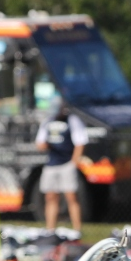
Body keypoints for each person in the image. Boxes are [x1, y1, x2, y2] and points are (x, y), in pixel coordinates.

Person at [35, 97, 89, 233]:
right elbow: (40, 143)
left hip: (67, 164)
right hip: (51, 165)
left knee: (71, 196)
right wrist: (45, 145)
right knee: (50, 197)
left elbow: (80, 142)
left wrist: (74, 161)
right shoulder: (47, 121)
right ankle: (50, 231)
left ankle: (77, 230)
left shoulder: (72, 120)